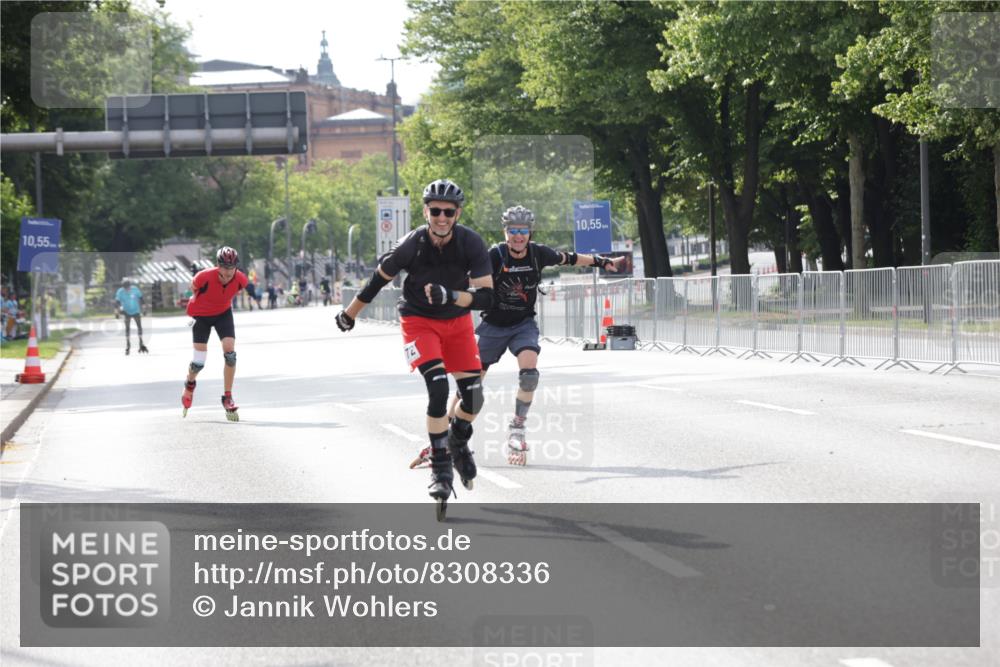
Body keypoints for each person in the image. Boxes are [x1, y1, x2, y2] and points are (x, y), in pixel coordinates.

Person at [335, 179, 494, 505]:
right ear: (425, 211)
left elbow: (487, 298)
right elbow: (376, 281)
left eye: (448, 212)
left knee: (474, 399)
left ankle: (458, 439)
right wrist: (350, 314)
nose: (441, 217)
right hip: (419, 322)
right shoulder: (411, 244)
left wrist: (451, 295)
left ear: (457, 213)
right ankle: (440, 467)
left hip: (458, 323)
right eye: (435, 211)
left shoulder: (471, 243)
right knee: (437, 387)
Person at [449, 205, 623, 465]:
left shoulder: (538, 253)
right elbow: (468, 278)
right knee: (469, 389)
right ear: (505, 231)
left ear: (530, 232)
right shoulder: (495, 255)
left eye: (523, 231)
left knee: (529, 375)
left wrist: (601, 262)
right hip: (493, 327)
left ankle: (517, 427)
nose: (518, 237)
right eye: (513, 231)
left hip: (522, 324)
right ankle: (446, 438)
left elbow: (571, 258)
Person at [181, 246, 248, 422]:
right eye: (224, 269)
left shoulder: (241, 279)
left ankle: (227, 396)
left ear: (236, 267)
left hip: (223, 314)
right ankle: (189, 383)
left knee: (230, 355)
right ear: (218, 266)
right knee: (198, 363)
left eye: (231, 269)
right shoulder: (203, 276)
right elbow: (192, 289)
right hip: (200, 316)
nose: (227, 274)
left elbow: (246, 291)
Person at [115, 279, 148, 354]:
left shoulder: (135, 289)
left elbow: (141, 299)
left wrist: (144, 309)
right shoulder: (120, 292)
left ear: (130, 286)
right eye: (125, 288)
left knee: (139, 327)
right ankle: (128, 345)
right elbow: (117, 302)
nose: (127, 289)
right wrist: (117, 312)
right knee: (127, 328)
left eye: (128, 288)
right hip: (126, 312)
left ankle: (141, 342)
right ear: (123, 287)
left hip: (136, 310)